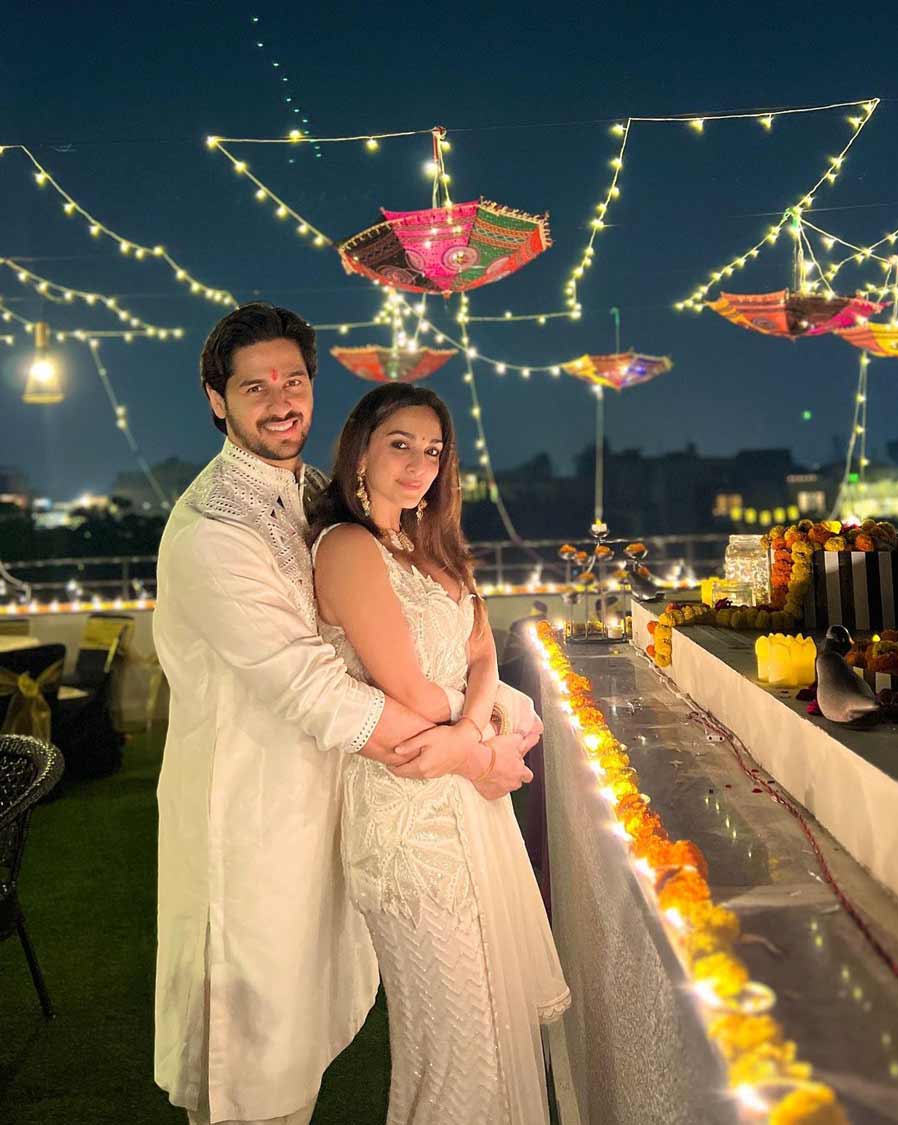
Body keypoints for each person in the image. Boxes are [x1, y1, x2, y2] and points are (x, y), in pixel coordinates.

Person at [153, 304, 534, 1125]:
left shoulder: (320, 495)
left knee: (311, 1031)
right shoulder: (211, 529)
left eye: (293, 380)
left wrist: (492, 702)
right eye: (254, 386)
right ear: (217, 400)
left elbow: (397, 633)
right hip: (252, 813)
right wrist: (472, 753)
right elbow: (309, 684)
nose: (280, 399)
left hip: (343, 795)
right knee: (254, 1057)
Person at [310, 382, 571, 1125]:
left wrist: (470, 737)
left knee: (492, 1024)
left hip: (459, 793)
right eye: (401, 444)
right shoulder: (349, 546)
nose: (420, 463)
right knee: (454, 1041)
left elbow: (485, 650)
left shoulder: (429, 549)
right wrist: (475, 741)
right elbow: (411, 688)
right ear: (360, 448)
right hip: (406, 814)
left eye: (433, 450)